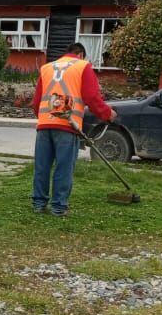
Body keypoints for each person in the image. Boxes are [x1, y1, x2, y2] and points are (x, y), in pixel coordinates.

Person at [31, 43, 117, 216]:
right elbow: (91, 97)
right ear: (80, 54)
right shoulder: (83, 66)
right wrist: (107, 114)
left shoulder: (47, 68)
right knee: (64, 167)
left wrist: (44, 117)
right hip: (68, 126)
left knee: (42, 166)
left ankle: (39, 204)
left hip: (45, 124)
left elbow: (36, 101)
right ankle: (58, 207)